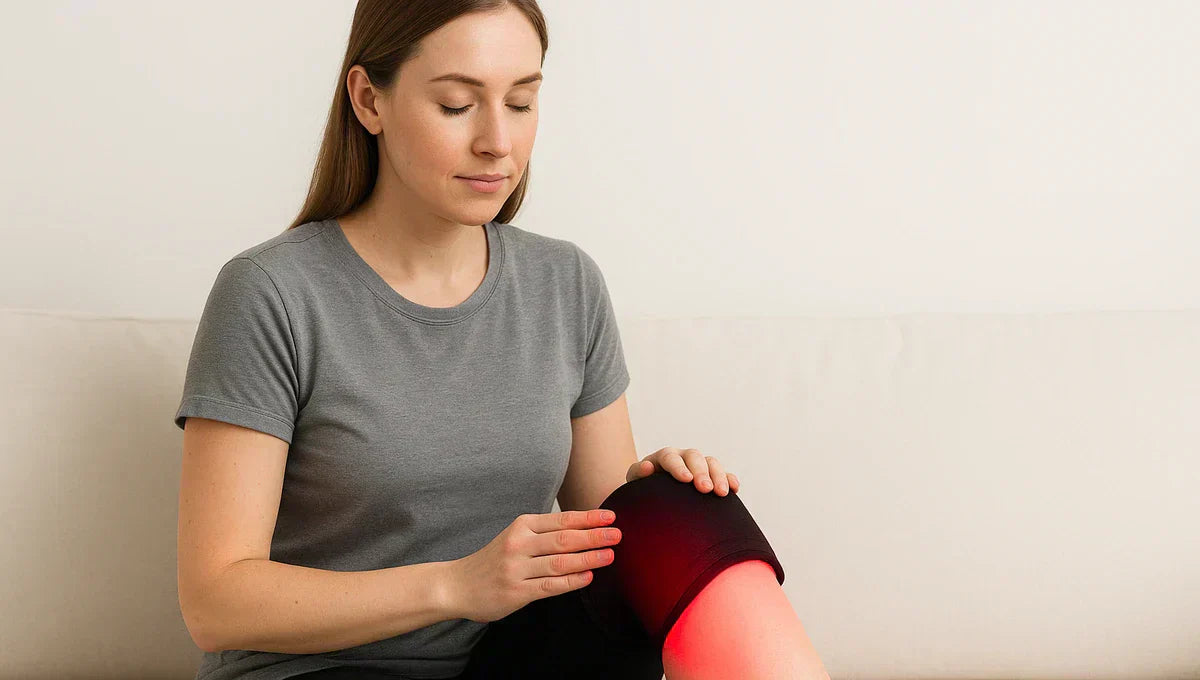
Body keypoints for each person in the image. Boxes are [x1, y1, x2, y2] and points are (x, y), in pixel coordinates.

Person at [174, 1, 831, 679]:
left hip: (509, 660)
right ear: (370, 101)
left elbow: (603, 541)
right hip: (321, 671)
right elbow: (215, 602)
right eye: (458, 105)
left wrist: (656, 496)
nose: (498, 141)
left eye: (521, 102)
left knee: (676, 510)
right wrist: (456, 584)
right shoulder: (271, 293)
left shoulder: (565, 282)